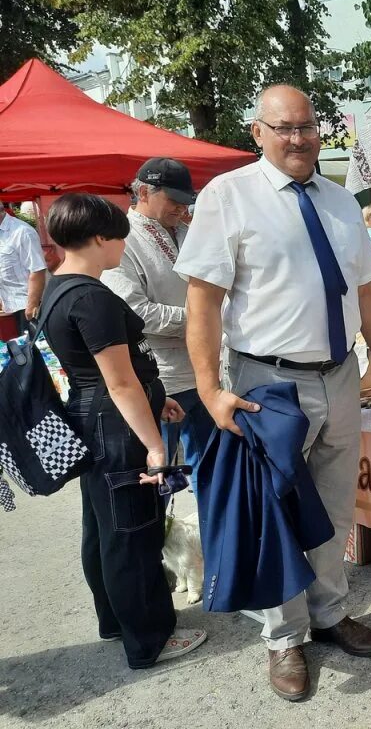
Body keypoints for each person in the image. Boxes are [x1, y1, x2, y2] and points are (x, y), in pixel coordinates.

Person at [175, 84, 371, 702]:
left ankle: (328, 614)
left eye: (308, 127)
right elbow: (203, 300)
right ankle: (284, 638)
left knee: (332, 507)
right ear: (259, 132)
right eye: (286, 128)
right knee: (272, 513)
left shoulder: (339, 201)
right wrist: (209, 389)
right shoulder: (229, 197)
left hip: (340, 374)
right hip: (268, 384)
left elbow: (367, 291)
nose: (299, 138)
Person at [39, 193, 207, 670]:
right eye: (118, 236)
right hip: (116, 427)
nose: (123, 246)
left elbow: (117, 377)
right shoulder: (90, 297)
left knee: (104, 529)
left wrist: (159, 399)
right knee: (132, 532)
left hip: (97, 419)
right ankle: (149, 637)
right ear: (99, 238)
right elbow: (119, 380)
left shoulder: (60, 287)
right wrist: (155, 446)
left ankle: (116, 620)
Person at [102, 158, 215, 487]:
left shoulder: (189, 231)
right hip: (158, 375)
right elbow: (135, 310)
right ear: (143, 192)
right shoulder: (123, 239)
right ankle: (156, 538)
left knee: (210, 472)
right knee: (158, 476)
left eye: (185, 200)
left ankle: (209, 537)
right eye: (173, 199)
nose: (181, 208)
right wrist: (200, 319)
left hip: (204, 368)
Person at [0, 201, 47, 333]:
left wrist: (32, 305)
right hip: (9, 306)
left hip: (26, 307)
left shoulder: (23, 231)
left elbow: (37, 269)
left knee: (31, 349)